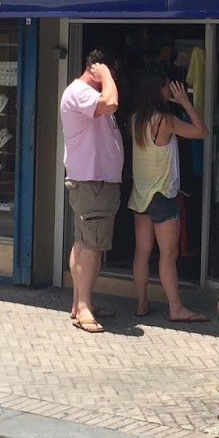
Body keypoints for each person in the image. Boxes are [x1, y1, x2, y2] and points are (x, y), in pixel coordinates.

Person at [127, 71, 209, 323]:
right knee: (168, 254)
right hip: (162, 193)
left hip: (140, 193)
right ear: (157, 90)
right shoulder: (166, 120)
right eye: (166, 87)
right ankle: (176, 307)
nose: (169, 91)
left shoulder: (135, 119)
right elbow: (201, 131)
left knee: (142, 251)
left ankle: (141, 302)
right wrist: (185, 102)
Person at [60, 50, 123, 332]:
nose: (114, 80)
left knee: (84, 242)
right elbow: (111, 103)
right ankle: (84, 307)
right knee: (92, 246)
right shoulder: (81, 93)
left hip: (95, 182)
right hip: (92, 181)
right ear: (96, 69)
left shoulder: (87, 96)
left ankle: (80, 302)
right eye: (112, 73)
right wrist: (106, 74)